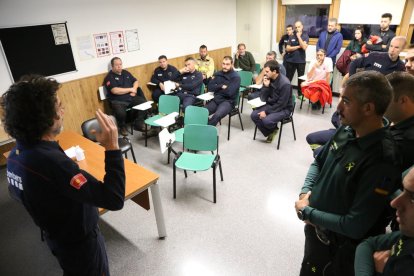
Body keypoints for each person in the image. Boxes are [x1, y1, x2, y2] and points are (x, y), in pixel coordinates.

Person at [2, 75, 126, 276]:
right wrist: (112, 147)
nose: (63, 110)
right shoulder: (51, 162)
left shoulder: (15, 155)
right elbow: (114, 198)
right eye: (59, 106)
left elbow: (17, 193)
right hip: (81, 245)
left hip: (57, 238)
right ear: (47, 117)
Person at [295, 71, 401, 276]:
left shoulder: (382, 158)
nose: (338, 107)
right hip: (316, 232)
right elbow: (318, 162)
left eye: (346, 101)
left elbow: (355, 225)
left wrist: (306, 212)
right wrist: (305, 192)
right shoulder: (347, 130)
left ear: (368, 108)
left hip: (340, 249)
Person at [354, 167, 414, 276]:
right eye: (403, 190)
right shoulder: (409, 235)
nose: (394, 203)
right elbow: (368, 245)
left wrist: (388, 268)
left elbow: (351, 226)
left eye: (413, 198)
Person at [104, 57, 149, 136]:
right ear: (112, 66)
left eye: (120, 64)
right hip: (117, 101)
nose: (119, 66)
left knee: (144, 103)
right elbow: (115, 90)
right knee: (120, 113)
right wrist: (130, 89)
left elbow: (135, 81)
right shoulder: (109, 77)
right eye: (117, 65)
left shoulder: (126, 72)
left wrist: (134, 89)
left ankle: (138, 123)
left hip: (130, 98)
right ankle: (122, 127)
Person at [250, 60, 292, 143]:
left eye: (267, 71)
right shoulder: (269, 79)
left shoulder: (285, 84)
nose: (264, 73)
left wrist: (266, 112)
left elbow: (282, 104)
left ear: (274, 71)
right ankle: (272, 131)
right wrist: (266, 87)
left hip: (284, 109)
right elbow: (262, 99)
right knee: (254, 115)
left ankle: (272, 129)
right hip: (272, 105)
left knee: (267, 120)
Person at [385, 72, 414, 171]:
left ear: (402, 100)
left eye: (386, 100)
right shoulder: (396, 121)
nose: (381, 104)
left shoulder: (402, 144)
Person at [205, 56, 241, 126]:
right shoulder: (218, 74)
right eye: (223, 64)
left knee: (217, 116)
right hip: (216, 99)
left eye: (227, 64)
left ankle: (207, 132)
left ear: (232, 65)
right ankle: (204, 127)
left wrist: (217, 88)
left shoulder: (236, 77)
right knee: (202, 112)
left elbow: (229, 93)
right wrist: (221, 86)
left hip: (228, 102)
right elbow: (209, 88)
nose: (225, 66)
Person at [285, 20, 309, 97]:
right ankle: (286, 92)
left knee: (301, 78)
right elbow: (287, 48)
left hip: (301, 61)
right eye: (296, 27)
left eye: (299, 27)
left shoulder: (305, 35)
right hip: (290, 61)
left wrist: (299, 37)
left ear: (302, 27)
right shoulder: (292, 36)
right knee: (288, 78)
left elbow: (304, 47)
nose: (297, 28)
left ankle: (300, 94)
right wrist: (299, 46)